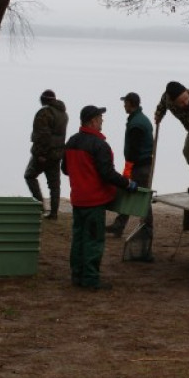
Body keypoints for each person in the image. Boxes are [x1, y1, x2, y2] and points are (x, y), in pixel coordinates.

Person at [63, 105, 137, 290]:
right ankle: (90, 279)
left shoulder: (71, 141)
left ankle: (77, 275)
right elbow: (107, 173)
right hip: (94, 200)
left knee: (79, 238)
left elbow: (65, 169)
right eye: (100, 118)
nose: (102, 120)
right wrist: (127, 184)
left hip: (78, 199)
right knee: (93, 240)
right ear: (93, 121)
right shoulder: (99, 145)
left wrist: (81, 173)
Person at [106, 92, 154, 255]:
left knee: (142, 199)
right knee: (129, 193)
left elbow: (134, 149)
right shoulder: (139, 119)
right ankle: (119, 225)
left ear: (131, 103)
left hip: (139, 166)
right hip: (141, 164)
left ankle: (146, 230)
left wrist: (128, 168)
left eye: (125, 103)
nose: (124, 106)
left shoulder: (137, 123)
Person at [24, 89, 69, 220]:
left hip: (44, 154)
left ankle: (39, 206)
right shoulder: (63, 114)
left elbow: (42, 135)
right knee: (54, 185)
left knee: (29, 175)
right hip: (57, 154)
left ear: (44, 100)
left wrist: (41, 154)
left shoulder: (45, 113)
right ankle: (54, 213)